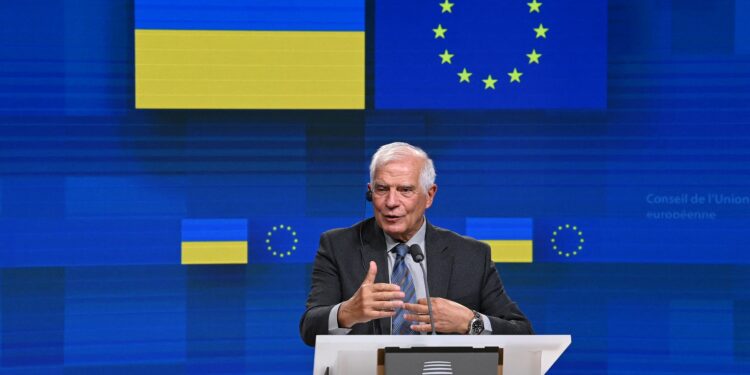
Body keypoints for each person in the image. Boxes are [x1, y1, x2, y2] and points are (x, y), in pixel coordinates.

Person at [299, 142, 532, 346]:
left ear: (429, 195)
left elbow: (523, 334)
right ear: (370, 192)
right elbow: (309, 329)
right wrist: (347, 312)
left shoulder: (471, 255)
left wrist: (470, 322)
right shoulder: (338, 246)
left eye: (405, 190)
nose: (391, 202)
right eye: (382, 189)